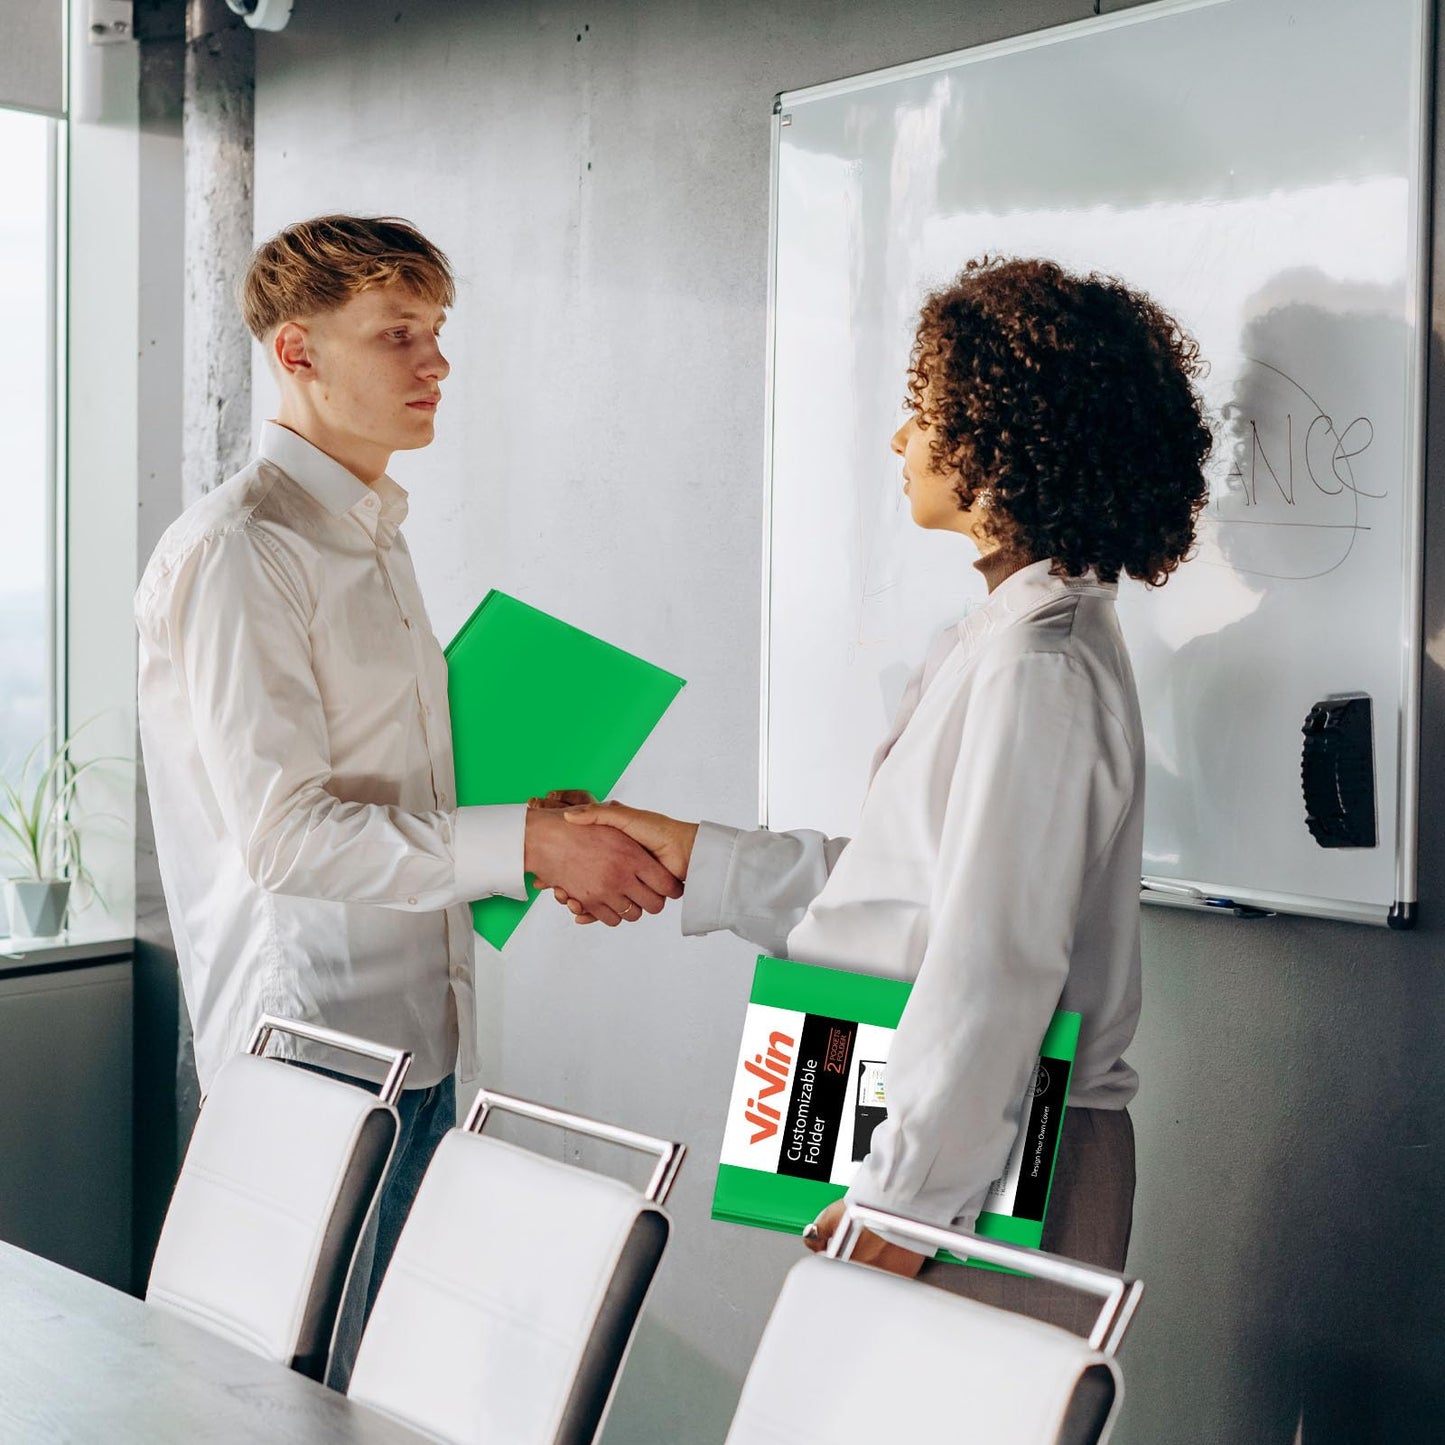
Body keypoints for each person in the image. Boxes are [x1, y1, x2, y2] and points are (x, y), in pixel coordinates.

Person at [552, 256, 1213, 1329]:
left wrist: (898, 1212)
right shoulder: (1005, 642)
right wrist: (688, 848)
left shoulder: (1036, 666)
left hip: (988, 1174)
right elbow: (910, 899)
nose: (899, 440)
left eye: (921, 412)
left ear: (1003, 437)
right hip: (955, 1157)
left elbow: (990, 968)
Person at [134, 214, 681, 1373]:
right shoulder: (245, 549)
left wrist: (533, 818)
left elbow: (378, 785)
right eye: (397, 336)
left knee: (379, 1384)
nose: (436, 366)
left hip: (418, 1038)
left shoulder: (372, 536)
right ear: (298, 352)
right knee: (291, 1395)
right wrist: (522, 847)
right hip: (313, 1051)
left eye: (435, 334)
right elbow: (283, 837)